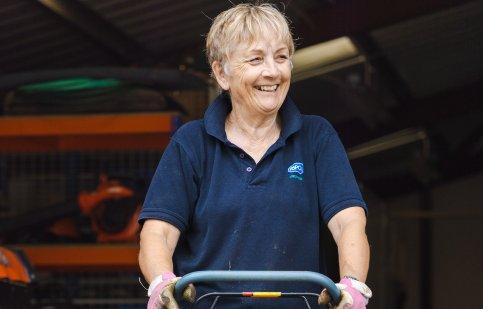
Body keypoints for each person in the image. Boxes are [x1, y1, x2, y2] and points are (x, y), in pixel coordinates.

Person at [138, 3, 371, 309]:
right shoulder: (191, 143)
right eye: (256, 59)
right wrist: (160, 282)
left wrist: (353, 285)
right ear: (222, 72)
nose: (272, 71)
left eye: (282, 57)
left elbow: (348, 222)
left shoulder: (316, 137)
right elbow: (159, 231)